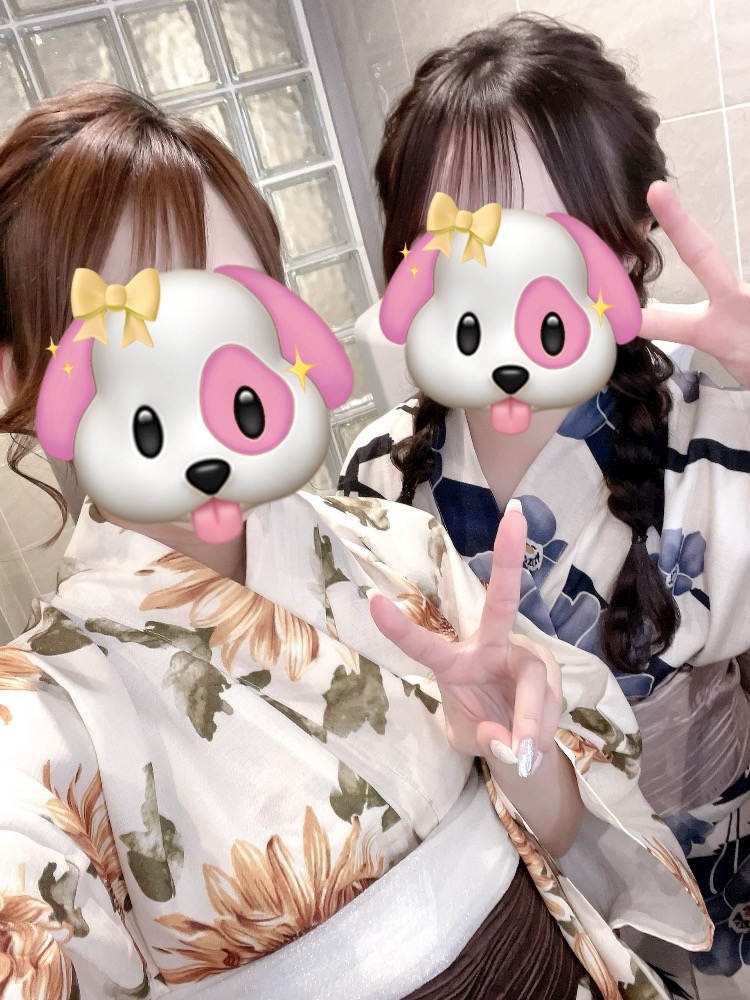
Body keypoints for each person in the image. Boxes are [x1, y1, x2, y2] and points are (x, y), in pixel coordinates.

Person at [0, 85, 710, 1000]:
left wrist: (518, 752)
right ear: (18, 376)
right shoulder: (45, 717)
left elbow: (563, 834)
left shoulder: (397, 546)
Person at [338, 12, 750, 990]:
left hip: (712, 893)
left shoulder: (712, 423)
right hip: (515, 919)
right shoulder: (381, 474)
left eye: (546, 240)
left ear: (626, 240)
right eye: (463, 243)